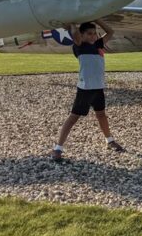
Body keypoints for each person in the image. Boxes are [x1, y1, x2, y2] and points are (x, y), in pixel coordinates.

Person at [52, 20, 124, 162]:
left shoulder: (98, 44)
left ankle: (109, 140)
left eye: (94, 34)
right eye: (89, 34)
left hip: (98, 88)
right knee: (73, 118)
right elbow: (75, 34)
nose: (93, 36)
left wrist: (98, 19)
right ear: (82, 35)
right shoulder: (79, 46)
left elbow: (110, 31)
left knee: (101, 115)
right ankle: (58, 148)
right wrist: (73, 23)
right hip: (85, 90)